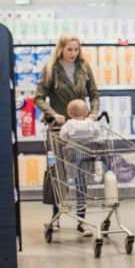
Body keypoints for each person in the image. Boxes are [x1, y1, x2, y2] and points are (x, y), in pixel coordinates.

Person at [34, 33, 100, 235]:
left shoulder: (84, 68)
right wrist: (53, 114)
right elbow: (38, 97)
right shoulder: (51, 69)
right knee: (58, 174)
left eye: (76, 49)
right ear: (61, 49)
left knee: (81, 174)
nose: (73, 53)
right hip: (58, 131)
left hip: (81, 130)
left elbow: (94, 94)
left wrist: (94, 112)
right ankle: (56, 217)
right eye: (69, 49)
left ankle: (82, 220)